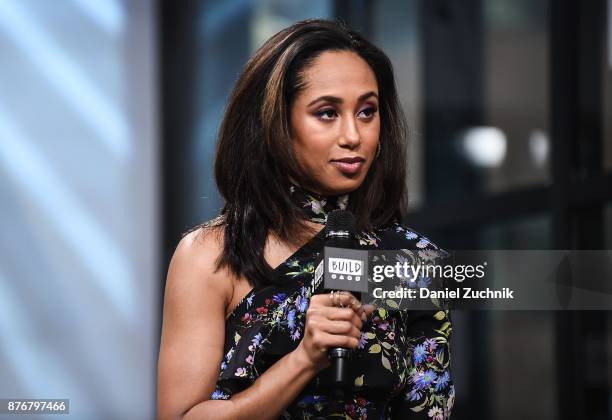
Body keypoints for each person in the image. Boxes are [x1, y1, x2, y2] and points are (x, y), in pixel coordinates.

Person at [157, 19, 454, 420]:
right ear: (275, 124)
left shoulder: (416, 263)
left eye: (367, 111)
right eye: (327, 113)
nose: (353, 135)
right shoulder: (210, 256)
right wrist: (303, 360)